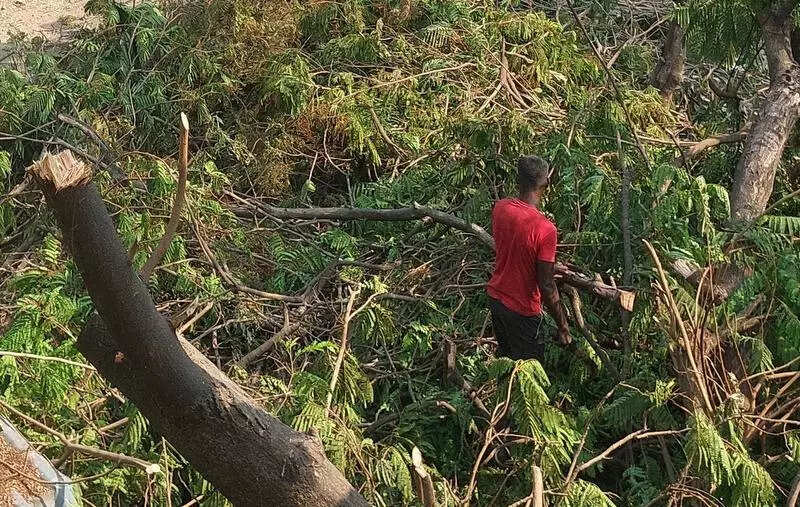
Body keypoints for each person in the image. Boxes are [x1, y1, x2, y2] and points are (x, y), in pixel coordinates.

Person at [487, 155, 571, 361]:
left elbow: (514, 249)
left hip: (496, 300)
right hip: (521, 312)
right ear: (546, 183)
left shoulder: (500, 208)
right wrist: (563, 326)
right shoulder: (546, 229)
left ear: (518, 181)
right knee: (530, 378)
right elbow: (547, 286)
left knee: (507, 364)